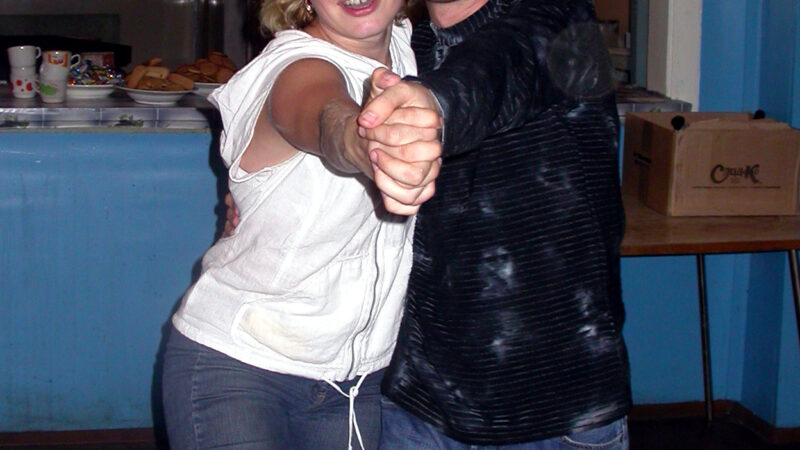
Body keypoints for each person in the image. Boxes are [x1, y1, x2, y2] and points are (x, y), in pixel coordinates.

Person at [160, 0, 441, 447]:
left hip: (357, 383)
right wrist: (367, 143)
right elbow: (326, 116)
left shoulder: (415, 51)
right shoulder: (294, 67)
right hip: (240, 370)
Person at [355, 0, 632, 448]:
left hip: (556, 410)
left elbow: (499, 68)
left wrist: (432, 106)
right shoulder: (407, 45)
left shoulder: (559, 17)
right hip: (422, 402)